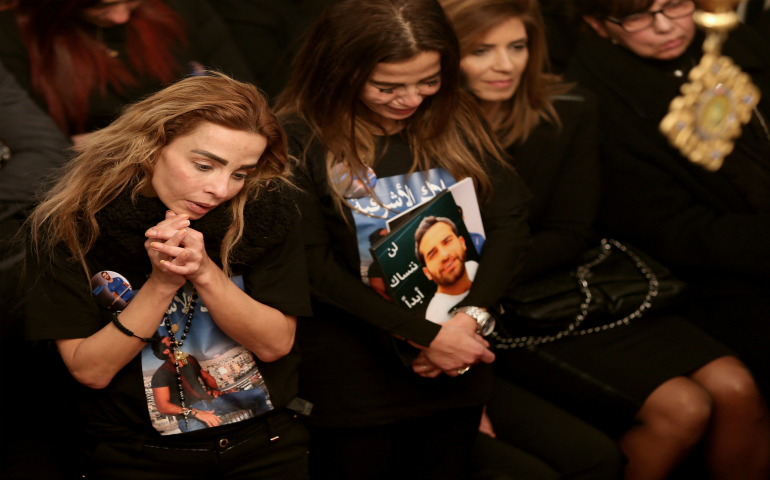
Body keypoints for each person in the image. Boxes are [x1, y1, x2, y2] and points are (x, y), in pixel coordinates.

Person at [441, 0, 770, 479]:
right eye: (481, 50)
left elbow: (572, 231)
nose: (505, 63)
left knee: (737, 388)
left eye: (517, 46)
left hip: (565, 288)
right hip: (484, 310)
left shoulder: (565, 108)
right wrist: (481, 295)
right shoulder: (425, 128)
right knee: (683, 408)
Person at [275, 0, 531, 478]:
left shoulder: (455, 117)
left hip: (456, 363)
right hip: (357, 380)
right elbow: (315, 268)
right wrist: (426, 336)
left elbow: (509, 222)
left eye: (427, 81)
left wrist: (469, 322)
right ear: (339, 72)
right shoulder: (297, 137)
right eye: (386, 86)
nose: (410, 99)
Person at [25, 73, 312, 479]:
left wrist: (205, 272)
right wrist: (161, 284)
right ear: (151, 145)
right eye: (203, 165)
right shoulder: (71, 227)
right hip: (138, 456)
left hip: (266, 446)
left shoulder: (264, 214)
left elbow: (275, 344)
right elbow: (90, 370)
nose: (220, 188)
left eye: (240, 173)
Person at [0, 0, 252, 142]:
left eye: (130, 0)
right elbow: (39, 143)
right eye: (99, 7)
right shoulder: (14, 35)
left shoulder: (182, 8)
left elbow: (243, 94)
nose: (120, 17)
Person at [415, 216, 479, 324]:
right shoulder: (436, 319)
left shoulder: (474, 267)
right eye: (433, 254)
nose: (444, 255)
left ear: (462, 243)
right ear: (427, 273)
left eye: (447, 242)